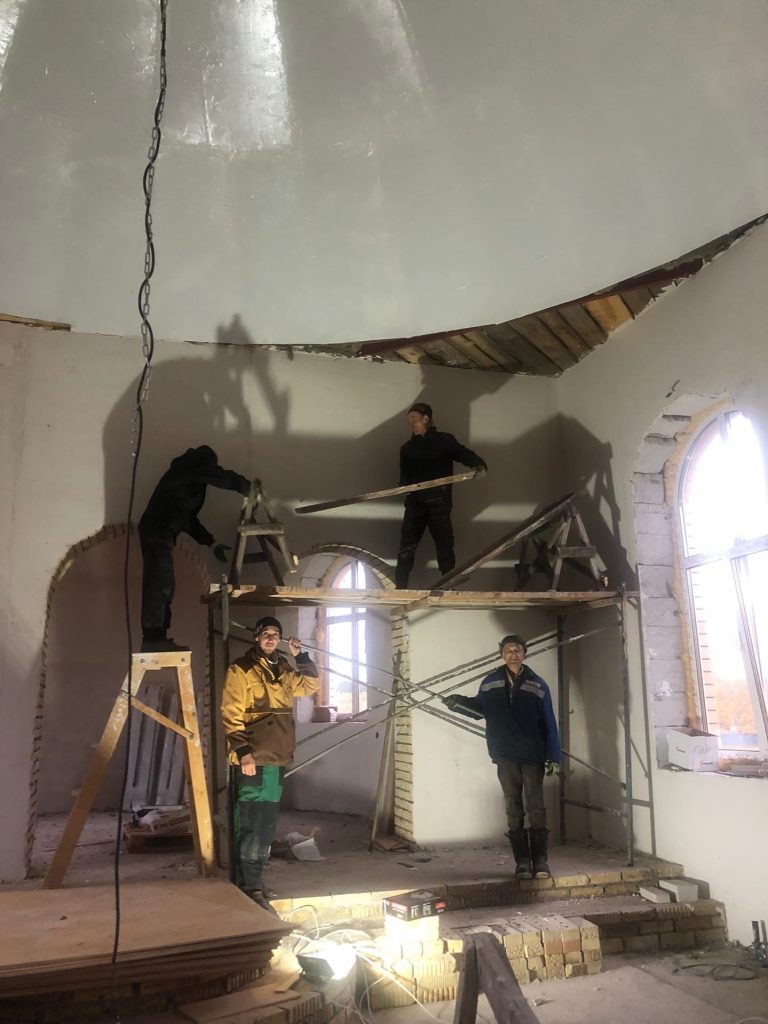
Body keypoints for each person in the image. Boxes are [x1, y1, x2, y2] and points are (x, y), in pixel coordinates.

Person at [221, 616, 320, 911]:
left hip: (277, 756)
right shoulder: (241, 668)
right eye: (265, 633)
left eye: (275, 633)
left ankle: (253, 882)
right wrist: (243, 751)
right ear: (256, 637)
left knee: (265, 827)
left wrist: (300, 656)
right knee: (250, 824)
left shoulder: (285, 668)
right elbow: (230, 712)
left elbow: (311, 685)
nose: (271, 637)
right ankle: (249, 886)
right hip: (253, 758)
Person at [441, 634, 561, 879]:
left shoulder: (538, 685)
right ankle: (522, 863)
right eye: (508, 650)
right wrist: (458, 702)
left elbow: (550, 722)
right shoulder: (490, 683)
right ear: (502, 654)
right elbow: (480, 709)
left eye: (517, 650)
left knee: (536, 808)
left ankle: (540, 861)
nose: (513, 654)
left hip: (533, 755)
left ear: (524, 653)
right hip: (504, 755)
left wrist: (553, 756)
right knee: (513, 808)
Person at [138, 445, 250, 651]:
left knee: (164, 583)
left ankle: (157, 636)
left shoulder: (185, 485)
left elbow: (188, 520)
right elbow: (219, 476)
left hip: (162, 530)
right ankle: (153, 639)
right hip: (158, 528)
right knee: (160, 583)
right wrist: (247, 487)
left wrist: (211, 542)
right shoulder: (189, 467)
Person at [395, 403, 486, 589]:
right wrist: (403, 487)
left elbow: (463, 454)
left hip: (439, 502)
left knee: (444, 545)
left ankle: (448, 585)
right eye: (409, 420)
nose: (410, 423)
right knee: (406, 547)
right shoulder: (407, 449)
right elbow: (405, 477)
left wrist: (479, 465)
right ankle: (400, 588)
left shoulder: (445, 441)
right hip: (415, 504)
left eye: (414, 418)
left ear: (426, 418)